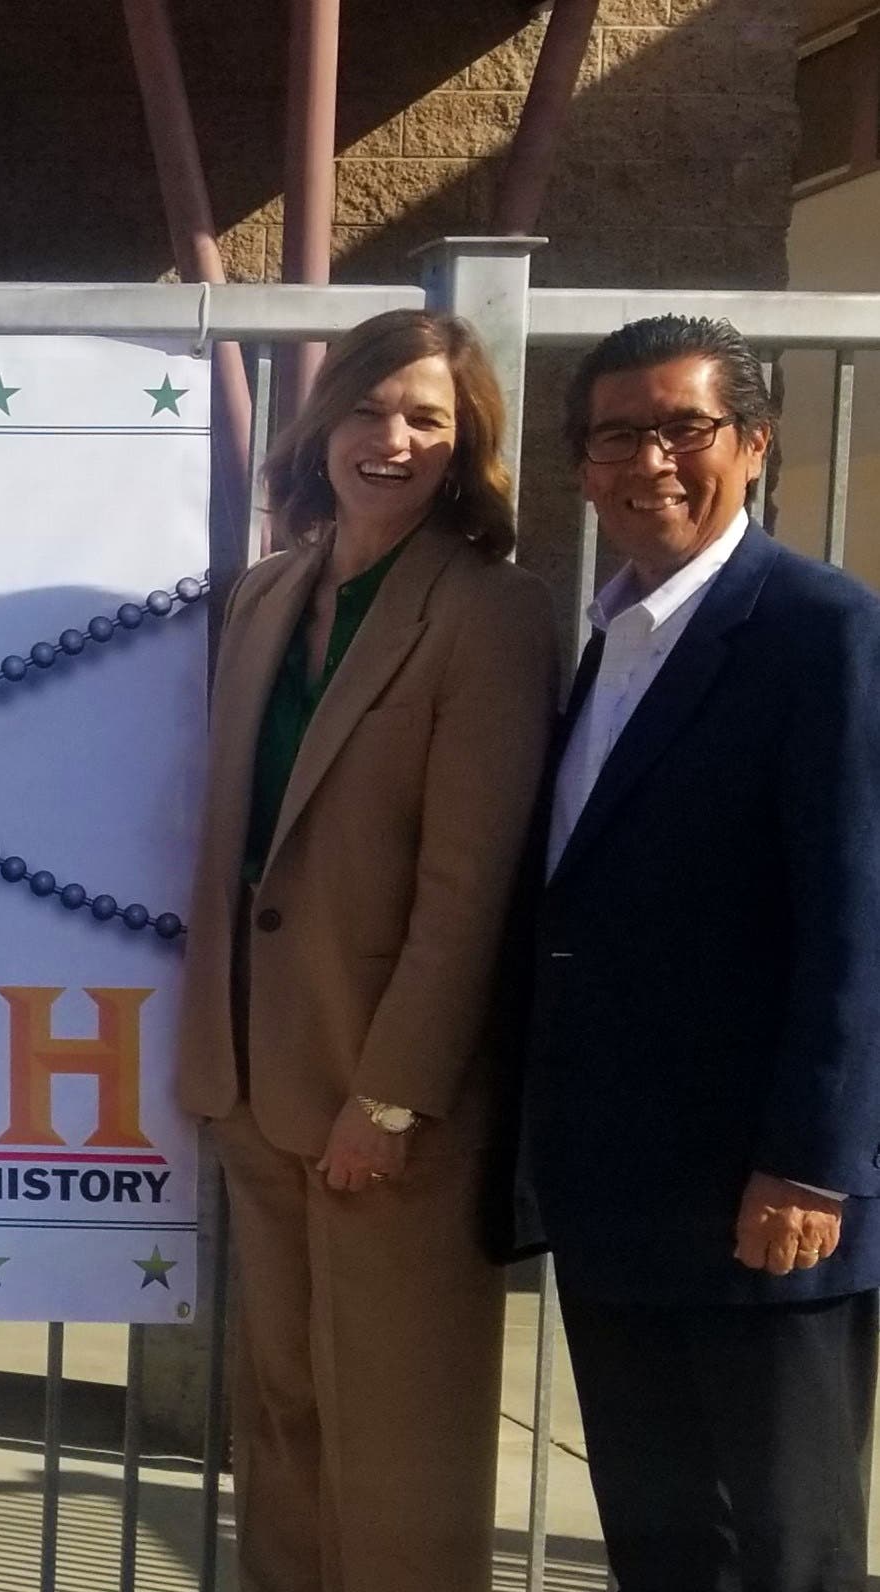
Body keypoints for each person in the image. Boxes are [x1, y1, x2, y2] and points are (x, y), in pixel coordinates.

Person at [174, 309, 558, 1590]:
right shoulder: (266, 593)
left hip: (382, 1101)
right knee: (280, 1421)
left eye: (425, 418)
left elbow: (468, 888)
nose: (389, 439)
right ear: (321, 421)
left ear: (464, 446)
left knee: (396, 1439)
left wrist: (389, 1095)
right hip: (252, 1081)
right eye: (368, 408)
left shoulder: (490, 613)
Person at [519, 314, 880, 1592]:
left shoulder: (820, 630)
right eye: (617, 435)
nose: (650, 461)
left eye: (684, 428)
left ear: (755, 443)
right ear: (581, 464)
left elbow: (856, 917)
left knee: (782, 1550)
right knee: (662, 1546)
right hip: (618, 1193)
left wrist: (810, 1162)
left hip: (759, 1200)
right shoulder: (610, 638)